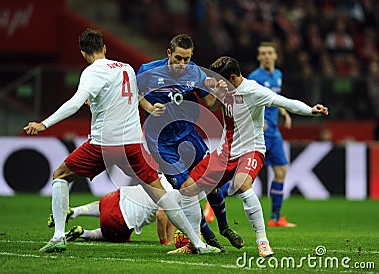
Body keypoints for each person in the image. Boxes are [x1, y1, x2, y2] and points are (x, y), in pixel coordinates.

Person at [23, 28, 220, 254]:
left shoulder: (91, 72)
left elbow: (75, 103)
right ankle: (198, 242)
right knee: (159, 193)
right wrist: (145, 107)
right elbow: (134, 95)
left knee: (61, 175)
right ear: (104, 49)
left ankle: (58, 236)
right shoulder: (125, 68)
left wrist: (44, 124)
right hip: (133, 145)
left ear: (83, 54)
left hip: (104, 145)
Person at [179, 56, 329, 257]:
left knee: (242, 184)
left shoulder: (253, 91)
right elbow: (213, 104)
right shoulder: (225, 88)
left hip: (251, 149)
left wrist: (311, 110)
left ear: (233, 78)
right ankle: (195, 242)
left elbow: (284, 102)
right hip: (226, 151)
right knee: (188, 188)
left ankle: (262, 241)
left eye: (222, 82)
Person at [136, 34, 244, 252]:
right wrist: (149, 108)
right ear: (169, 53)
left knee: (211, 184)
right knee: (187, 191)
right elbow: (135, 93)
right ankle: (208, 237)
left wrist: (216, 91)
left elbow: (210, 104)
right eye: (178, 58)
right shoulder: (148, 70)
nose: (182, 64)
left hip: (189, 135)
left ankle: (224, 228)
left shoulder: (195, 72)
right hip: (163, 144)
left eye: (186, 59)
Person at [248, 42, 296, 227]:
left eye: (270, 53)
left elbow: (275, 99)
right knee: (243, 176)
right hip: (260, 131)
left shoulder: (278, 75)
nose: (266, 56)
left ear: (276, 56)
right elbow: (248, 101)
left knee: (281, 170)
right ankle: (212, 207)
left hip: (274, 132)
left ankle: (275, 218)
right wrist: (258, 121)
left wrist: (284, 112)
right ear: (259, 57)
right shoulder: (254, 77)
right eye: (263, 53)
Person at [48, 179, 177, 245]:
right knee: (118, 235)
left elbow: (171, 214)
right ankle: (84, 233)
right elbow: (161, 215)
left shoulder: (164, 177)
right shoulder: (175, 191)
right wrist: (165, 242)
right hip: (119, 220)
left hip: (112, 198)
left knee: (106, 207)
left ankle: (76, 211)